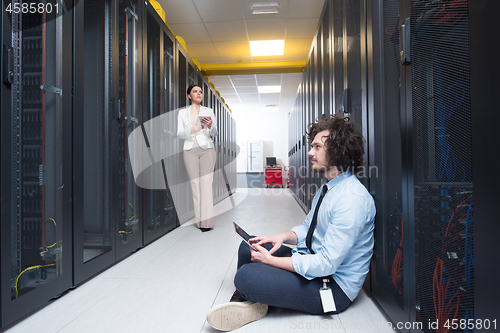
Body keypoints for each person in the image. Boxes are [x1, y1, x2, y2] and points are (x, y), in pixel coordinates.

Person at [205, 112, 375, 331]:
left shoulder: (351, 199)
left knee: (246, 275)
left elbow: (326, 264)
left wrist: (271, 262)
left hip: (331, 287)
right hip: (312, 262)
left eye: (316, 147)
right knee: (249, 247)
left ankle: (251, 295)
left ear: (337, 150)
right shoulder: (329, 187)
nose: (309, 152)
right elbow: (308, 228)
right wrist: (279, 237)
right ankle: (254, 298)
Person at [177, 85, 218, 232]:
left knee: (206, 184)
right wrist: (190, 130)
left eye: (200, 92)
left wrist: (211, 125)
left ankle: (207, 223)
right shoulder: (182, 113)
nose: (199, 93)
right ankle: (199, 222)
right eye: (195, 91)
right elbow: (179, 134)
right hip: (189, 150)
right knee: (195, 186)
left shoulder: (209, 111)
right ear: (189, 95)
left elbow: (214, 133)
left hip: (207, 149)